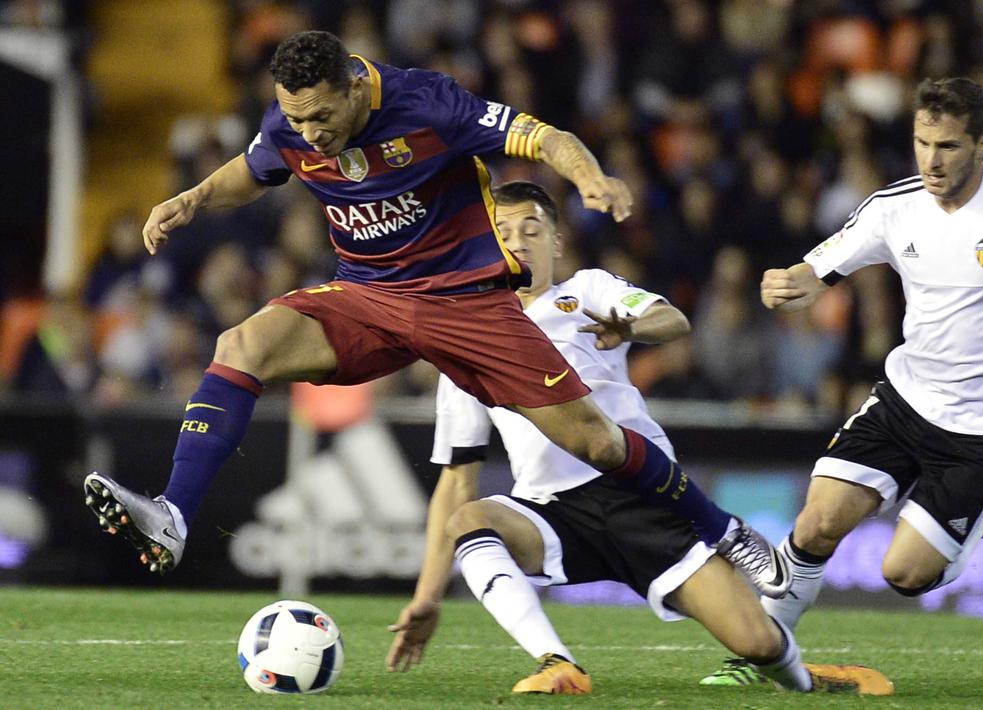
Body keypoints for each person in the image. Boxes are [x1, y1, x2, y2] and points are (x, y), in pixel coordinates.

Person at [82, 30, 785, 598]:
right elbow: (256, 167)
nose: (312, 134)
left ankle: (724, 532)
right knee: (242, 343)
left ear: (357, 84)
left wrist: (590, 177)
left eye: (322, 116)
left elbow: (543, 139)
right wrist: (190, 201)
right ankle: (173, 515)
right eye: (297, 118)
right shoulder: (290, 122)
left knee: (598, 444)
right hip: (367, 296)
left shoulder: (430, 105)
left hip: (466, 302)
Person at [702, 77, 983, 684]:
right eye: (921, 142)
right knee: (816, 522)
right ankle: (759, 658)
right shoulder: (892, 206)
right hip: (903, 402)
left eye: (949, 146)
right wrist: (788, 282)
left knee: (904, 575)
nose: (931, 160)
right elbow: (821, 266)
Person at [383, 182, 893, 696]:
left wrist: (628, 328)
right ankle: (557, 662)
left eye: (531, 229)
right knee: (468, 519)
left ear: (557, 243)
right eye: (503, 231)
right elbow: (455, 481)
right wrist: (427, 596)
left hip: (645, 497)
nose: (517, 241)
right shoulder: (463, 344)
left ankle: (809, 680)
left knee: (757, 642)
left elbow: (672, 319)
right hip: (556, 512)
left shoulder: (585, 292)